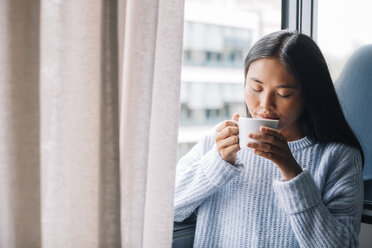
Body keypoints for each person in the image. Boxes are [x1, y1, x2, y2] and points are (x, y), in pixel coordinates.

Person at [173, 30, 364, 247]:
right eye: (256, 88)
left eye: (283, 94)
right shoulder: (219, 141)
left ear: (310, 95)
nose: (265, 104)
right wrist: (218, 163)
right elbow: (168, 206)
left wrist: (292, 172)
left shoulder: (338, 156)